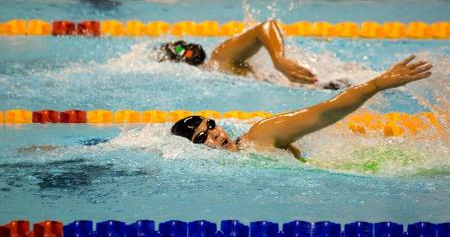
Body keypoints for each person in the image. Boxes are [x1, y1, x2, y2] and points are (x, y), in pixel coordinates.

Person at [170, 55, 432, 159]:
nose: (215, 134)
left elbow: (323, 112)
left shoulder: (259, 135)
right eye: (203, 137)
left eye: (211, 125)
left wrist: (377, 84)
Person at [158, 20, 318, 85]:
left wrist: (279, 59)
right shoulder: (215, 71)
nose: (189, 49)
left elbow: (266, 27)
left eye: (185, 45)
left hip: (313, 83)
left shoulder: (218, 57)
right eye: (181, 50)